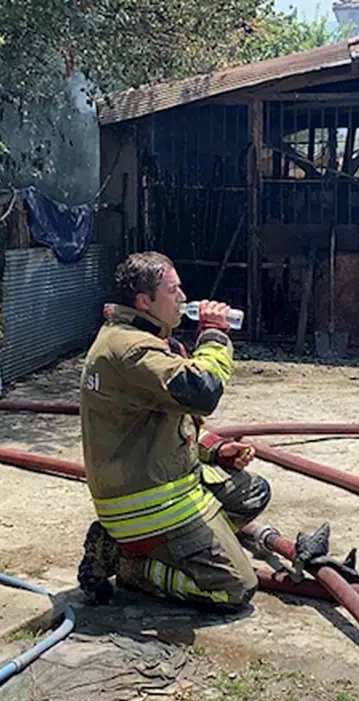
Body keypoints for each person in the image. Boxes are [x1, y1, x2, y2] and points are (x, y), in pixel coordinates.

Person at [75, 252, 272, 610]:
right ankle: (129, 563)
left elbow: (169, 421)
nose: (183, 297)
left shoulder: (142, 338)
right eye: (173, 290)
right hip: (150, 503)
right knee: (237, 589)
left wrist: (213, 450)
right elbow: (203, 392)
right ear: (145, 301)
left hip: (167, 483)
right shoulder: (131, 350)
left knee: (254, 492)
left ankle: (142, 546)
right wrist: (213, 336)